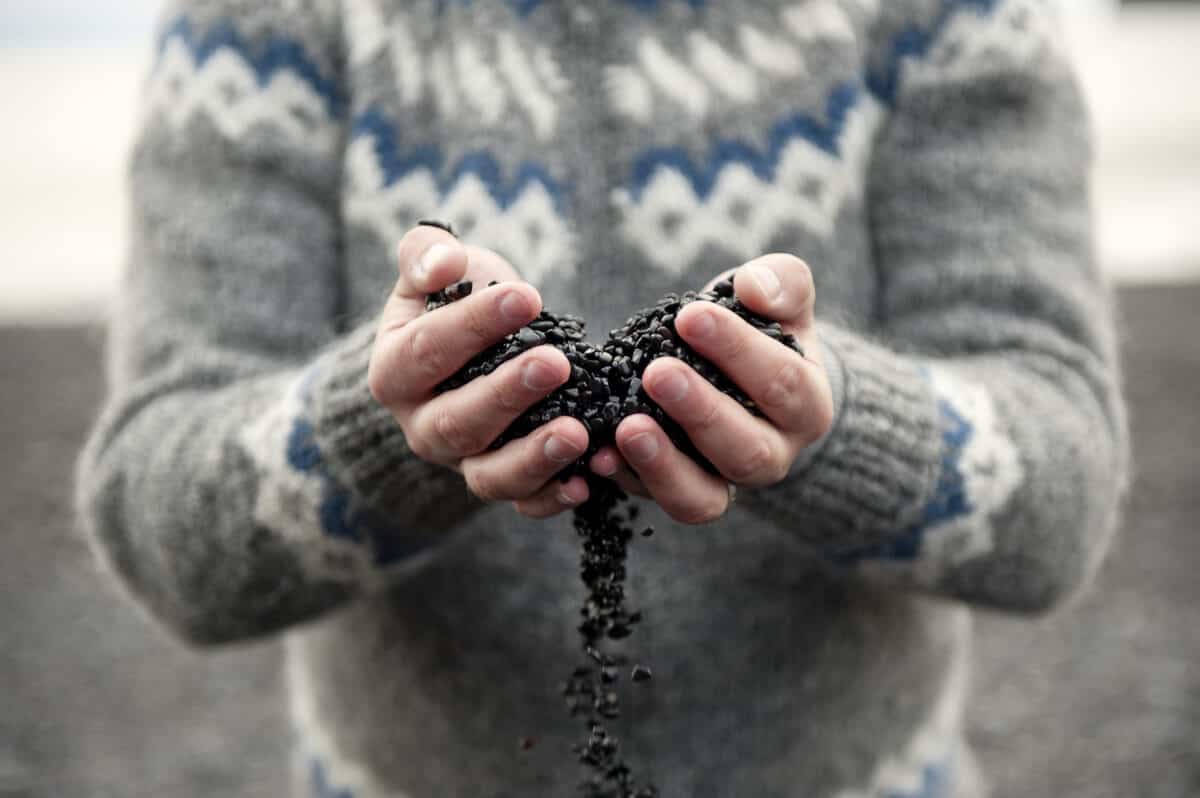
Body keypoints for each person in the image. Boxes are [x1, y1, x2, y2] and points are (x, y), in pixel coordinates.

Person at [76, 0, 1129, 795]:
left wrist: (835, 424)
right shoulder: (268, 23)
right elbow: (168, 531)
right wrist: (381, 428)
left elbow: (1059, 501)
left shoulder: (946, 17)